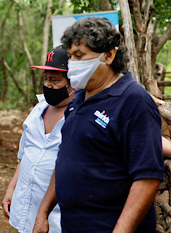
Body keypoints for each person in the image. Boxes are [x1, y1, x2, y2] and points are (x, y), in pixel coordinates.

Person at [33, 17, 164, 233]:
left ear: (109, 55)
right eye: (70, 56)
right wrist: (43, 213)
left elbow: (147, 178)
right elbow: (65, 159)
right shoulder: (78, 99)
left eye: (79, 56)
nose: (72, 64)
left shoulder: (133, 101)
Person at [2, 46, 75, 232]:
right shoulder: (38, 110)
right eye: (47, 79)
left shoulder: (79, 117)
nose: (49, 85)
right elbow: (25, 154)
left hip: (59, 217)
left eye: (55, 80)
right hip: (26, 206)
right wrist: (12, 189)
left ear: (73, 82)